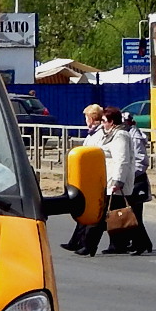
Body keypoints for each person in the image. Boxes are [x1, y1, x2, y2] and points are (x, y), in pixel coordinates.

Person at [76, 106, 133, 256]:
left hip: (113, 182)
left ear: (112, 122)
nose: (101, 123)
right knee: (117, 215)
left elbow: (122, 160)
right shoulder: (107, 134)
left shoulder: (120, 135)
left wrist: (118, 181)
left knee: (101, 215)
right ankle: (131, 243)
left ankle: (89, 246)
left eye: (104, 120)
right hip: (104, 180)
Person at [60, 104, 104, 252]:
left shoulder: (99, 134)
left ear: (91, 118)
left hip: (93, 179)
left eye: (86, 117)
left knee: (90, 213)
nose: (85, 120)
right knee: (84, 210)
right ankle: (76, 242)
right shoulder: (92, 133)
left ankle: (86, 244)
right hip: (86, 178)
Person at [123, 111, 153, 255]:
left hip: (136, 180)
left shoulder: (134, 137)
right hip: (131, 180)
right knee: (132, 214)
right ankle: (143, 243)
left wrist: (129, 176)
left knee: (135, 214)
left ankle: (141, 244)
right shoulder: (127, 135)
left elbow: (141, 162)